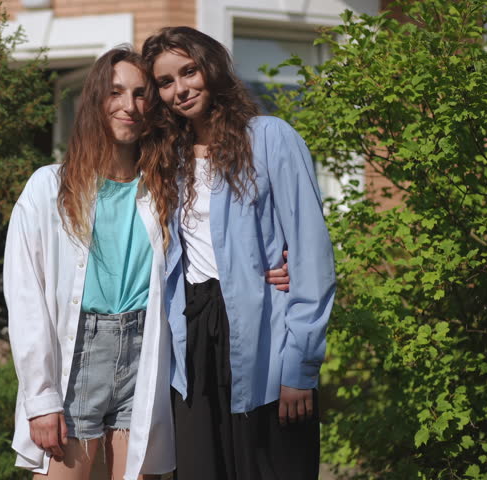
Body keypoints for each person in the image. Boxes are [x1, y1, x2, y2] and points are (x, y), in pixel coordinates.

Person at [3, 46, 292, 480]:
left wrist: (273, 268)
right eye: (116, 92)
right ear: (96, 101)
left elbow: (213, 244)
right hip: (78, 359)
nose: (129, 105)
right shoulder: (49, 188)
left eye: (141, 94)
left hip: (146, 358)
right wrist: (40, 398)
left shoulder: (164, 188)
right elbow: (25, 296)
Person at [141, 27, 337, 480]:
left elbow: (311, 254)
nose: (180, 89)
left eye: (188, 71)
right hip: (191, 341)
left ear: (211, 67)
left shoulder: (270, 138)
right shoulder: (167, 157)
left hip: (265, 337)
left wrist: (300, 367)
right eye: (166, 82)